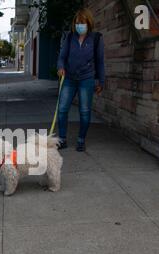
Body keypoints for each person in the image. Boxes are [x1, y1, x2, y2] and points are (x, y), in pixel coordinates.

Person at [57, 8, 105, 151]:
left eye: (82, 23)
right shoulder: (70, 37)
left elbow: (100, 62)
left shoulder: (96, 39)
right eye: (77, 23)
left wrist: (101, 81)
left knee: (84, 111)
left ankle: (81, 140)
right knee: (62, 109)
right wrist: (60, 67)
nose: (79, 26)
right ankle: (62, 139)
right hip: (69, 78)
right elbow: (62, 57)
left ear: (88, 23)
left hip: (86, 79)